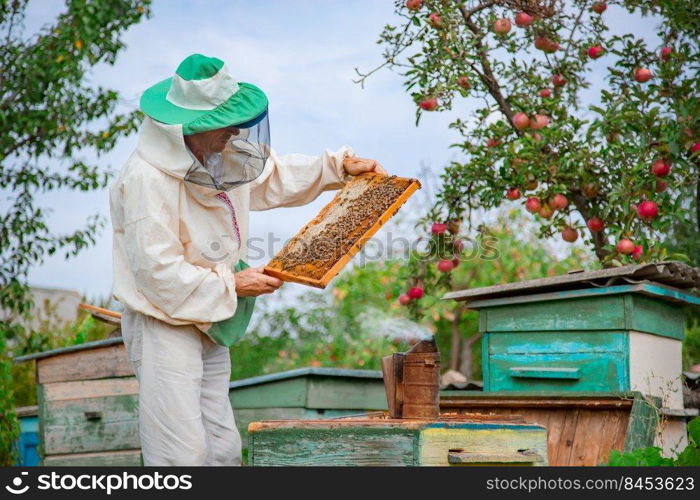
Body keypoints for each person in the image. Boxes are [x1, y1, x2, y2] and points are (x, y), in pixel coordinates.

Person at [109, 54, 386, 466]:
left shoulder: (218, 155)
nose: (236, 131)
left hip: (212, 317)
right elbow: (157, 272)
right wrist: (233, 284)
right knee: (180, 456)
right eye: (227, 122)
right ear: (194, 125)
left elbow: (272, 175)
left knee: (221, 451)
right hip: (163, 322)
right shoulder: (145, 180)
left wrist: (338, 167)